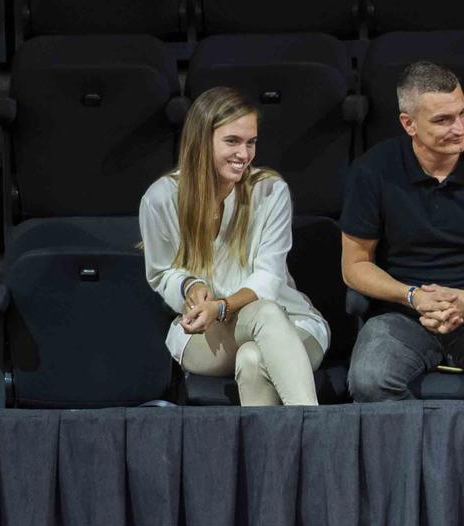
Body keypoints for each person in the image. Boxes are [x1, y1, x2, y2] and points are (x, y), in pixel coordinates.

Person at [340, 60, 464, 401]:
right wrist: (413, 297)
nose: (459, 127)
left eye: (463, 113)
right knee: (369, 379)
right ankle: (415, 455)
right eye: (443, 120)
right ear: (409, 124)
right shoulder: (372, 171)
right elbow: (354, 265)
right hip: (402, 313)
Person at [140, 86, 329, 406]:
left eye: (251, 142)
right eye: (232, 141)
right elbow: (162, 273)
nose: (244, 154)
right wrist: (190, 285)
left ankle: (280, 450)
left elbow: (269, 280)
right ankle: (319, 441)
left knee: (254, 355)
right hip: (207, 336)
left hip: (290, 323)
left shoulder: (270, 191)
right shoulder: (160, 199)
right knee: (260, 321)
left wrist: (222, 306)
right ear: (202, 141)